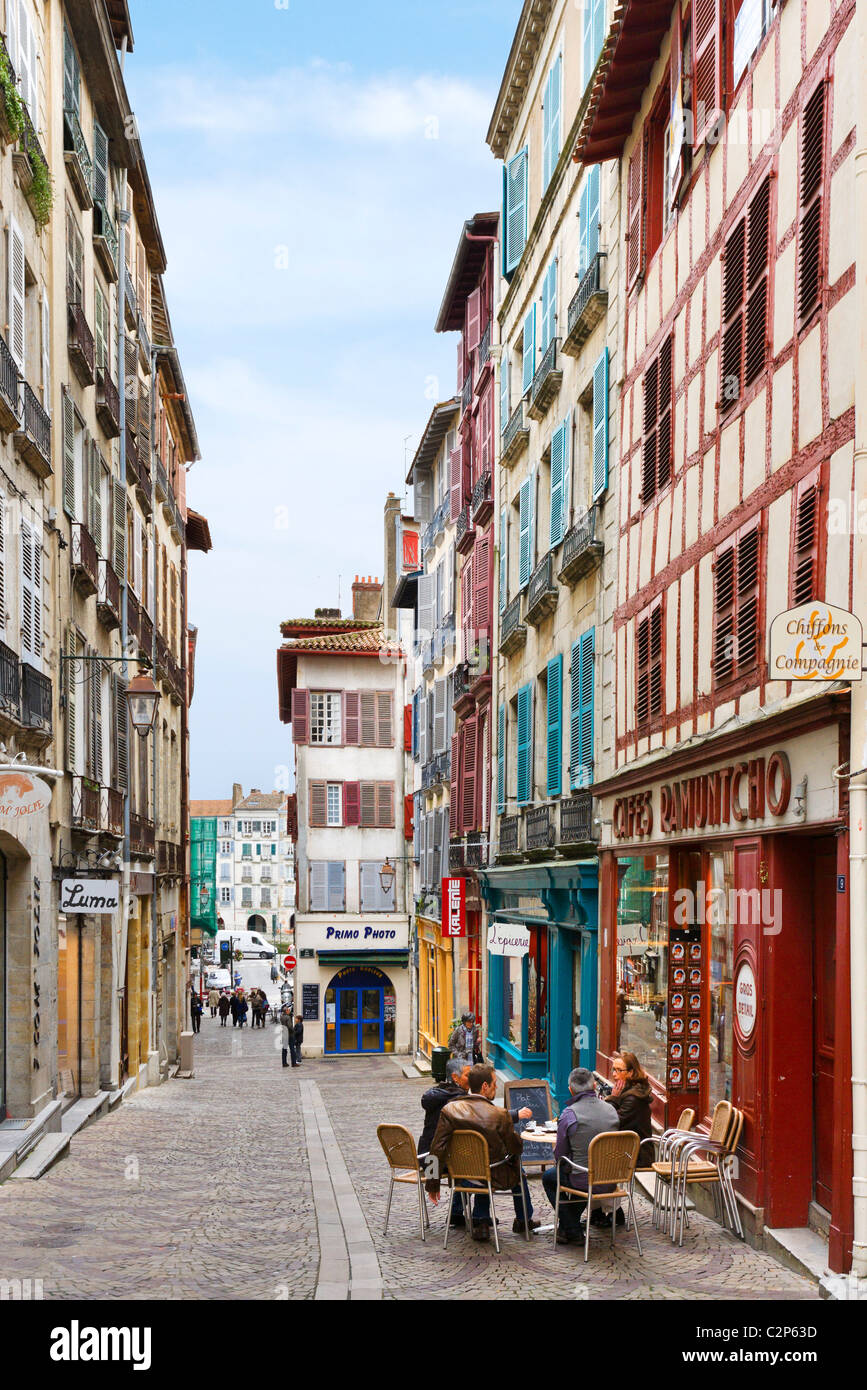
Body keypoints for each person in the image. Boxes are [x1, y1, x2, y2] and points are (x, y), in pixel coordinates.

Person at [431, 1063, 540, 1241]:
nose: (496, 1088)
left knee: (484, 1164)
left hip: (462, 1175)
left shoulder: (449, 1110)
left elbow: (436, 1147)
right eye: (495, 1084)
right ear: (484, 1086)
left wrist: (432, 1182)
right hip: (493, 1175)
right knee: (514, 1166)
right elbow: (516, 1148)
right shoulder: (499, 1114)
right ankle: (523, 1220)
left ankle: (481, 1220)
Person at [541, 1067, 619, 1245]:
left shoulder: (569, 1114)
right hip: (611, 1178)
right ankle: (567, 1228)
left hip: (584, 1178)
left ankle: (572, 1229)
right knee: (580, 1172)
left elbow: (560, 1155)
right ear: (593, 1085)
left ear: (570, 1089)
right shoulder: (611, 1110)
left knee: (550, 1177)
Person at [607, 1051, 654, 1172]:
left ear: (631, 1073)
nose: (614, 1074)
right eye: (613, 1069)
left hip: (637, 1155)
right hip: (625, 1149)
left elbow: (610, 1122)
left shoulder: (633, 1098)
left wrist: (613, 1098)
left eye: (619, 1070)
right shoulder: (626, 1091)